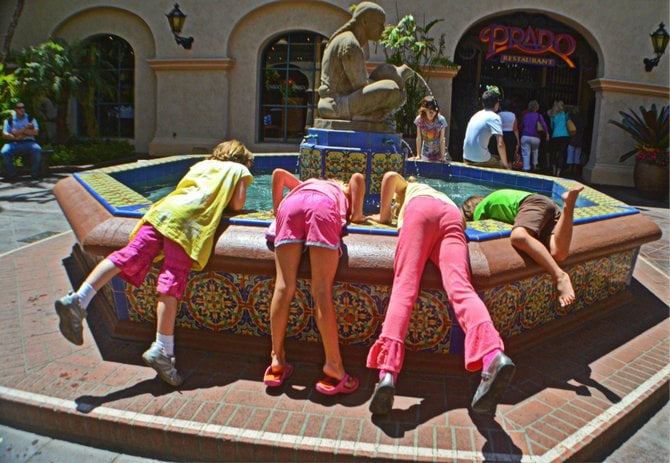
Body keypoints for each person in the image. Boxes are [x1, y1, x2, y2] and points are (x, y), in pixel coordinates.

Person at [54, 140, 254, 386]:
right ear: (243, 159)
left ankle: (78, 299)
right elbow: (238, 205)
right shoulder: (239, 170)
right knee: (171, 279)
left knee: (126, 254)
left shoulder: (202, 164)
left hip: (162, 212)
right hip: (187, 223)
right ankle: (162, 348)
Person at [366, 172, 515, 415]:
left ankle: (387, 373)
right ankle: (493, 356)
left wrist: (385, 216)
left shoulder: (411, 189)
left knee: (405, 287)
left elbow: (391, 176)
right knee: (461, 288)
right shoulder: (443, 196)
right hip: (453, 217)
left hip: (420, 212)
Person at [264, 168, 365, 396]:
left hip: (291, 205)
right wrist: (355, 208)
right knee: (320, 290)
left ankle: (277, 359)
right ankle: (334, 365)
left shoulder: (306, 183)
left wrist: (276, 207)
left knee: (283, 287)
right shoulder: (341, 190)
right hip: (322, 207)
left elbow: (278, 173)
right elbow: (357, 178)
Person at [461, 185, 584, 308]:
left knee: (518, 236)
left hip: (533, 203)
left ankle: (559, 276)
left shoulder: (480, 210)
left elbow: (479, 228)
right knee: (558, 253)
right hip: (547, 205)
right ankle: (568, 205)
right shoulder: (495, 201)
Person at [317, 1, 412, 125]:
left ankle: (363, 115)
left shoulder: (348, 40)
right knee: (392, 88)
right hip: (337, 105)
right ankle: (362, 116)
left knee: (388, 79)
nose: (383, 28)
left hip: (336, 102)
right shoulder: (350, 44)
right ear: (365, 21)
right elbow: (360, 85)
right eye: (379, 24)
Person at [462, 90, 510, 169]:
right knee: (501, 163)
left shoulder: (476, 115)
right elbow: (500, 144)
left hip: (466, 157)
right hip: (479, 159)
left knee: (495, 157)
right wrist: (506, 165)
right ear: (497, 104)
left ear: (483, 104)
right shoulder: (495, 117)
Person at [1, 101, 43, 180]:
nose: (22, 109)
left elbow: (35, 132)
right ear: (15, 110)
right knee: (4, 151)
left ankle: (35, 174)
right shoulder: (9, 120)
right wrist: (15, 137)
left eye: (23, 107)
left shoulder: (30, 119)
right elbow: (4, 134)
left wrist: (22, 132)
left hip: (29, 142)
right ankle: (12, 174)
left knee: (37, 149)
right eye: (19, 108)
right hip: (13, 143)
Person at [414, 96, 448, 161]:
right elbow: (418, 138)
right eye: (430, 111)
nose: (432, 114)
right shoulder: (419, 120)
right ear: (424, 110)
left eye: (434, 111)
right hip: (425, 153)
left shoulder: (441, 120)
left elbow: (442, 139)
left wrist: (443, 156)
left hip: (438, 153)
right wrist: (418, 155)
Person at [519, 100, 549, 172]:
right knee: (535, 151)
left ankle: (526, 168)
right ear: (537, 107)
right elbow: (544, 125)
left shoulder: (526, 116)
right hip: (536, 137)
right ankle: (535, 165)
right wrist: (547, 133)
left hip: (525, 136)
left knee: (526, 153)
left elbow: (521, 126)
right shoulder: (539, 116)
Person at [547, 100, 570, 177]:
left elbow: (552, 126)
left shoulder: (553, 116)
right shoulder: (565, 115)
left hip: (555, 136)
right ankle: (558, 172)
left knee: (553, 153)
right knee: (562, 154)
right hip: (565, 136)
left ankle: (553, 169)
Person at [498, 99, 520, 167]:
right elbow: (515, 129)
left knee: (500, 156)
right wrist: (518, 142)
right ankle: (509, 170)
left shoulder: (499, 115)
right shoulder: (513, 115)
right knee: (510, 158)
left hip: (500, 135)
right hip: (511, 136)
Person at [566, 105, 584, 177]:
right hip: (580, 138)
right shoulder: (581, 119)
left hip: (573, 138)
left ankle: (569, 168)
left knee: (570, 152)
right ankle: (575, 170)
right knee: (577, 154)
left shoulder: (571, 118)